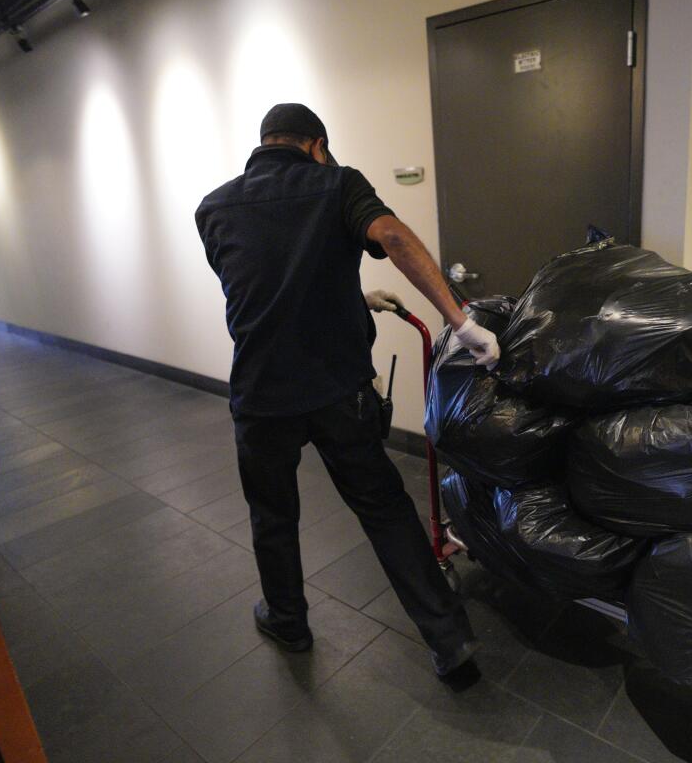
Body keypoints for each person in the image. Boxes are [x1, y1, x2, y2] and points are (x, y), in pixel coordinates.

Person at [195, 103, 499, 688]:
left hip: (261, 398)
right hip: (338, 391)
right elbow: (388, 233)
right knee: (385, 512)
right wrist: (459, 322)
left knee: (273, 516)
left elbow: (260, 289)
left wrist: (353, 298)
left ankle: (288, 621)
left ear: (264, 144)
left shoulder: (213, 207)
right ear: (317, 144)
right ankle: (450, 639)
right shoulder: (337, 182)